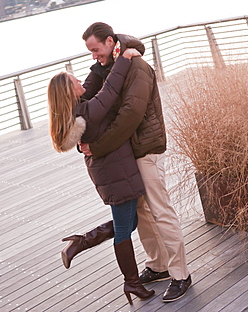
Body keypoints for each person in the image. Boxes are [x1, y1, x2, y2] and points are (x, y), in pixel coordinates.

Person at [77, 22, 192, 303]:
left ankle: (181, 274)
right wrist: (101, 65)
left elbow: (130, 116)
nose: (93, 56)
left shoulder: (137, 67)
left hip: (146, 149)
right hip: (127, 151)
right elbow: (89, 99)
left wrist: (98, 147)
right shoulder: (112, 65)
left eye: (95, 50)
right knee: (142, 212)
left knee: (160, 209)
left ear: (108, 41)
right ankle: (158, 265)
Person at [47, 47, 155, 305]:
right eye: (75, 82)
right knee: (124, 230)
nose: (80, 82)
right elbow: (110, 92)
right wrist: (124, 60)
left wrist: (100, 63)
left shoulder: (77, 111)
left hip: (110, 173)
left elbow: (93, 84)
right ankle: (132, 283)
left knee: (128, 224)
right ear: (70, 91)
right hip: (116, 174)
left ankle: (80, 243)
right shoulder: (87, 111)